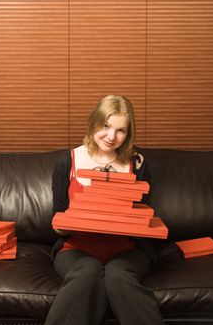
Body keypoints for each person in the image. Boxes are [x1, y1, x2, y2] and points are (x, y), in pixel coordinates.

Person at [45, 95, 164, 325]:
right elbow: (57, 218)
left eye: (121, 130)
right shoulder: (67, 162)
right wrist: (65, 223)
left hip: (127, 249)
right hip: (76, 249)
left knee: (117, 275)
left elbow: (142, 213)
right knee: (87, 272)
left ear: (128, 133)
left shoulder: (138, 163)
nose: (111, 137)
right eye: (106, 126)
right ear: (94, 122)